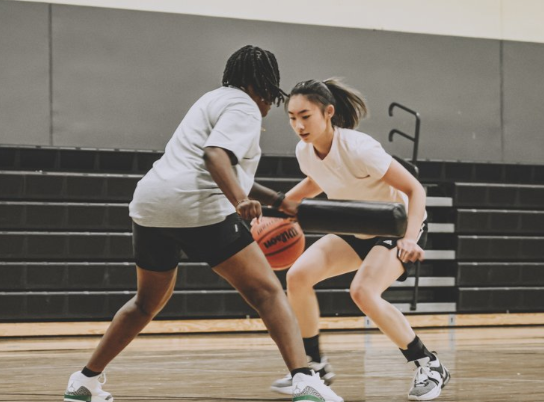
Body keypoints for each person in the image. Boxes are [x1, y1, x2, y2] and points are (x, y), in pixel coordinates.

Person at [63, 46, 343, 402]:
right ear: (263, 86)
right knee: (267, 293)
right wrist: (239, 201)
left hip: (150, 205)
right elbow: (214, 157)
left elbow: (221, 167)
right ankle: (305, 380)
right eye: (271, 94)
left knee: (145, 303)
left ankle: (84, 380)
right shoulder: (244, 107)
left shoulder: (211, 100)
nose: (270, 103)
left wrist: (278, 201)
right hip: (196, 206)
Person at [269, 78, 450, 401]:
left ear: (328, 112)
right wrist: (276, 211)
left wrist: (410, 238)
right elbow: (316, 181)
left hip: (395, 225)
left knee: (363, 292)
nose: (298, 125)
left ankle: (429, 364)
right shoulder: (304, 151)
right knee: (298, 276)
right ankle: (315, 364)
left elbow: (414, 189)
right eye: (292, 118)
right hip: (355, 224)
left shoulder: (358, 147)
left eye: (305, 116)